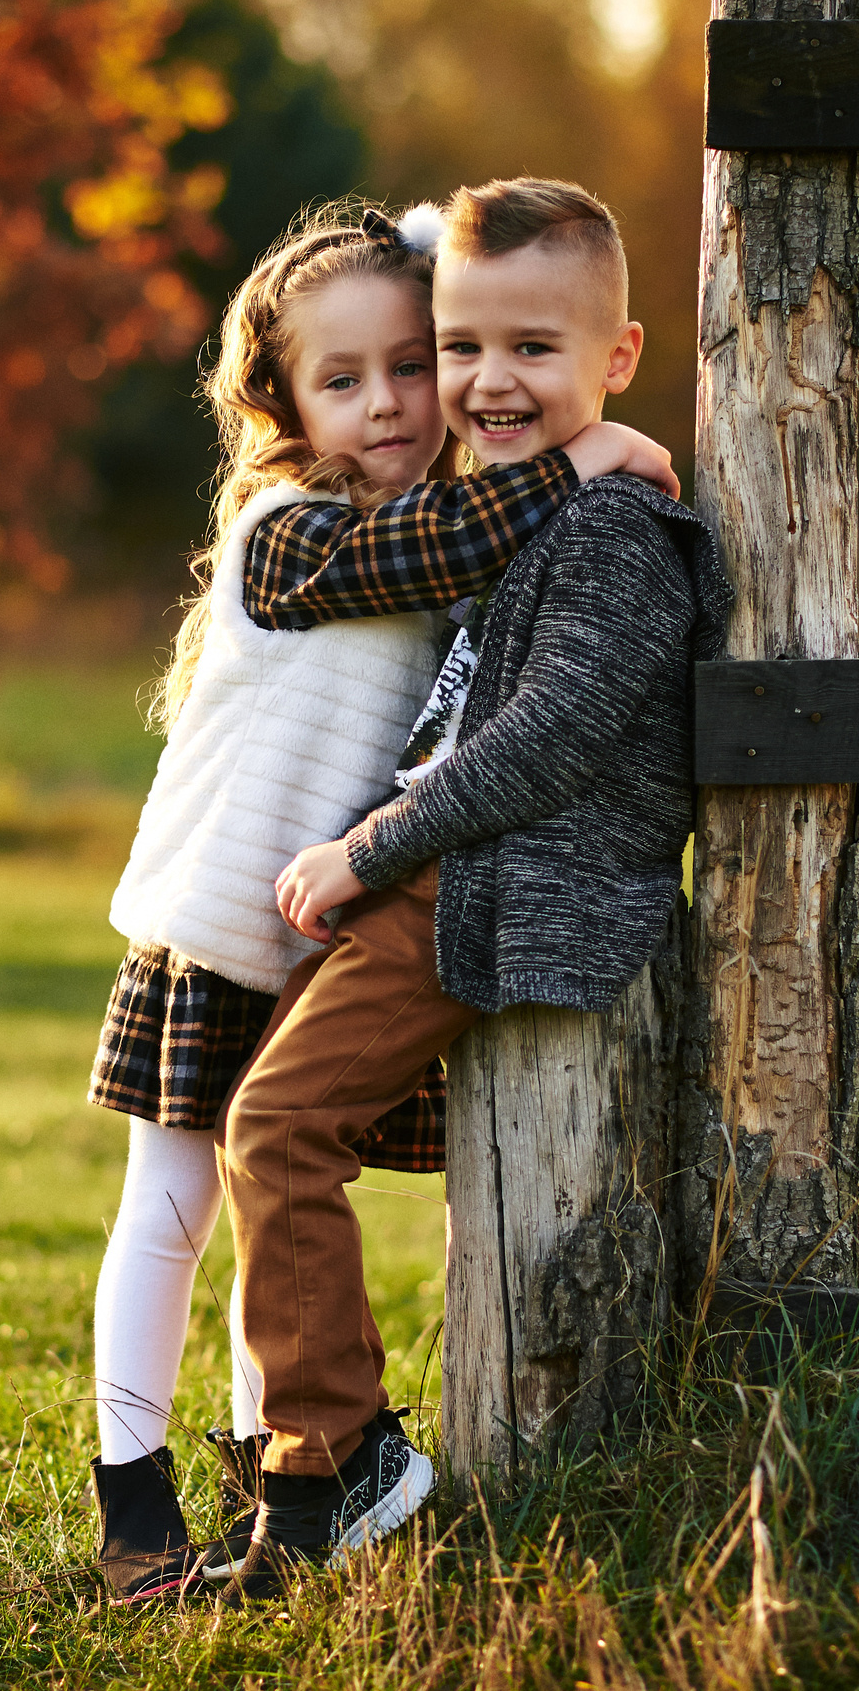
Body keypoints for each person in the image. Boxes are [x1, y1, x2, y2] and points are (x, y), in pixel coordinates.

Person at [85, 199, 677, 1602]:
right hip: (217, 923)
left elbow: (477, 573)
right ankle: (132, 1503)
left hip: (326, 917)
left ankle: (279, 1471)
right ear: (282, 402)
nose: (394, 402)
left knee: (269, 1188)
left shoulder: (450, 521)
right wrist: (591, 453)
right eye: (341, 381)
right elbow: (437, 547)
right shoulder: (287, 535)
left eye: (414, 364)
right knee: (172, 1209)